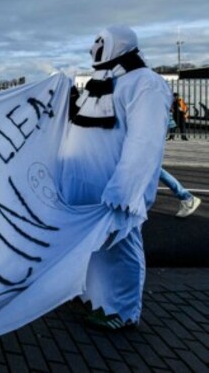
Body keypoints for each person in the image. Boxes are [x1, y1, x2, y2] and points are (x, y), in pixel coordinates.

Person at [59, 25, 170, 330]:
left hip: (112, 191)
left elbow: (144, 141)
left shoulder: (146, 84)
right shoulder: (102, 81)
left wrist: (126, 188)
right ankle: (93, 299)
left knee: (121, 245)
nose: (91, 48)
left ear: (116, 44)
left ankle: (121, 310)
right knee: (94, 249)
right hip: (87, 190)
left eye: (98, 41)